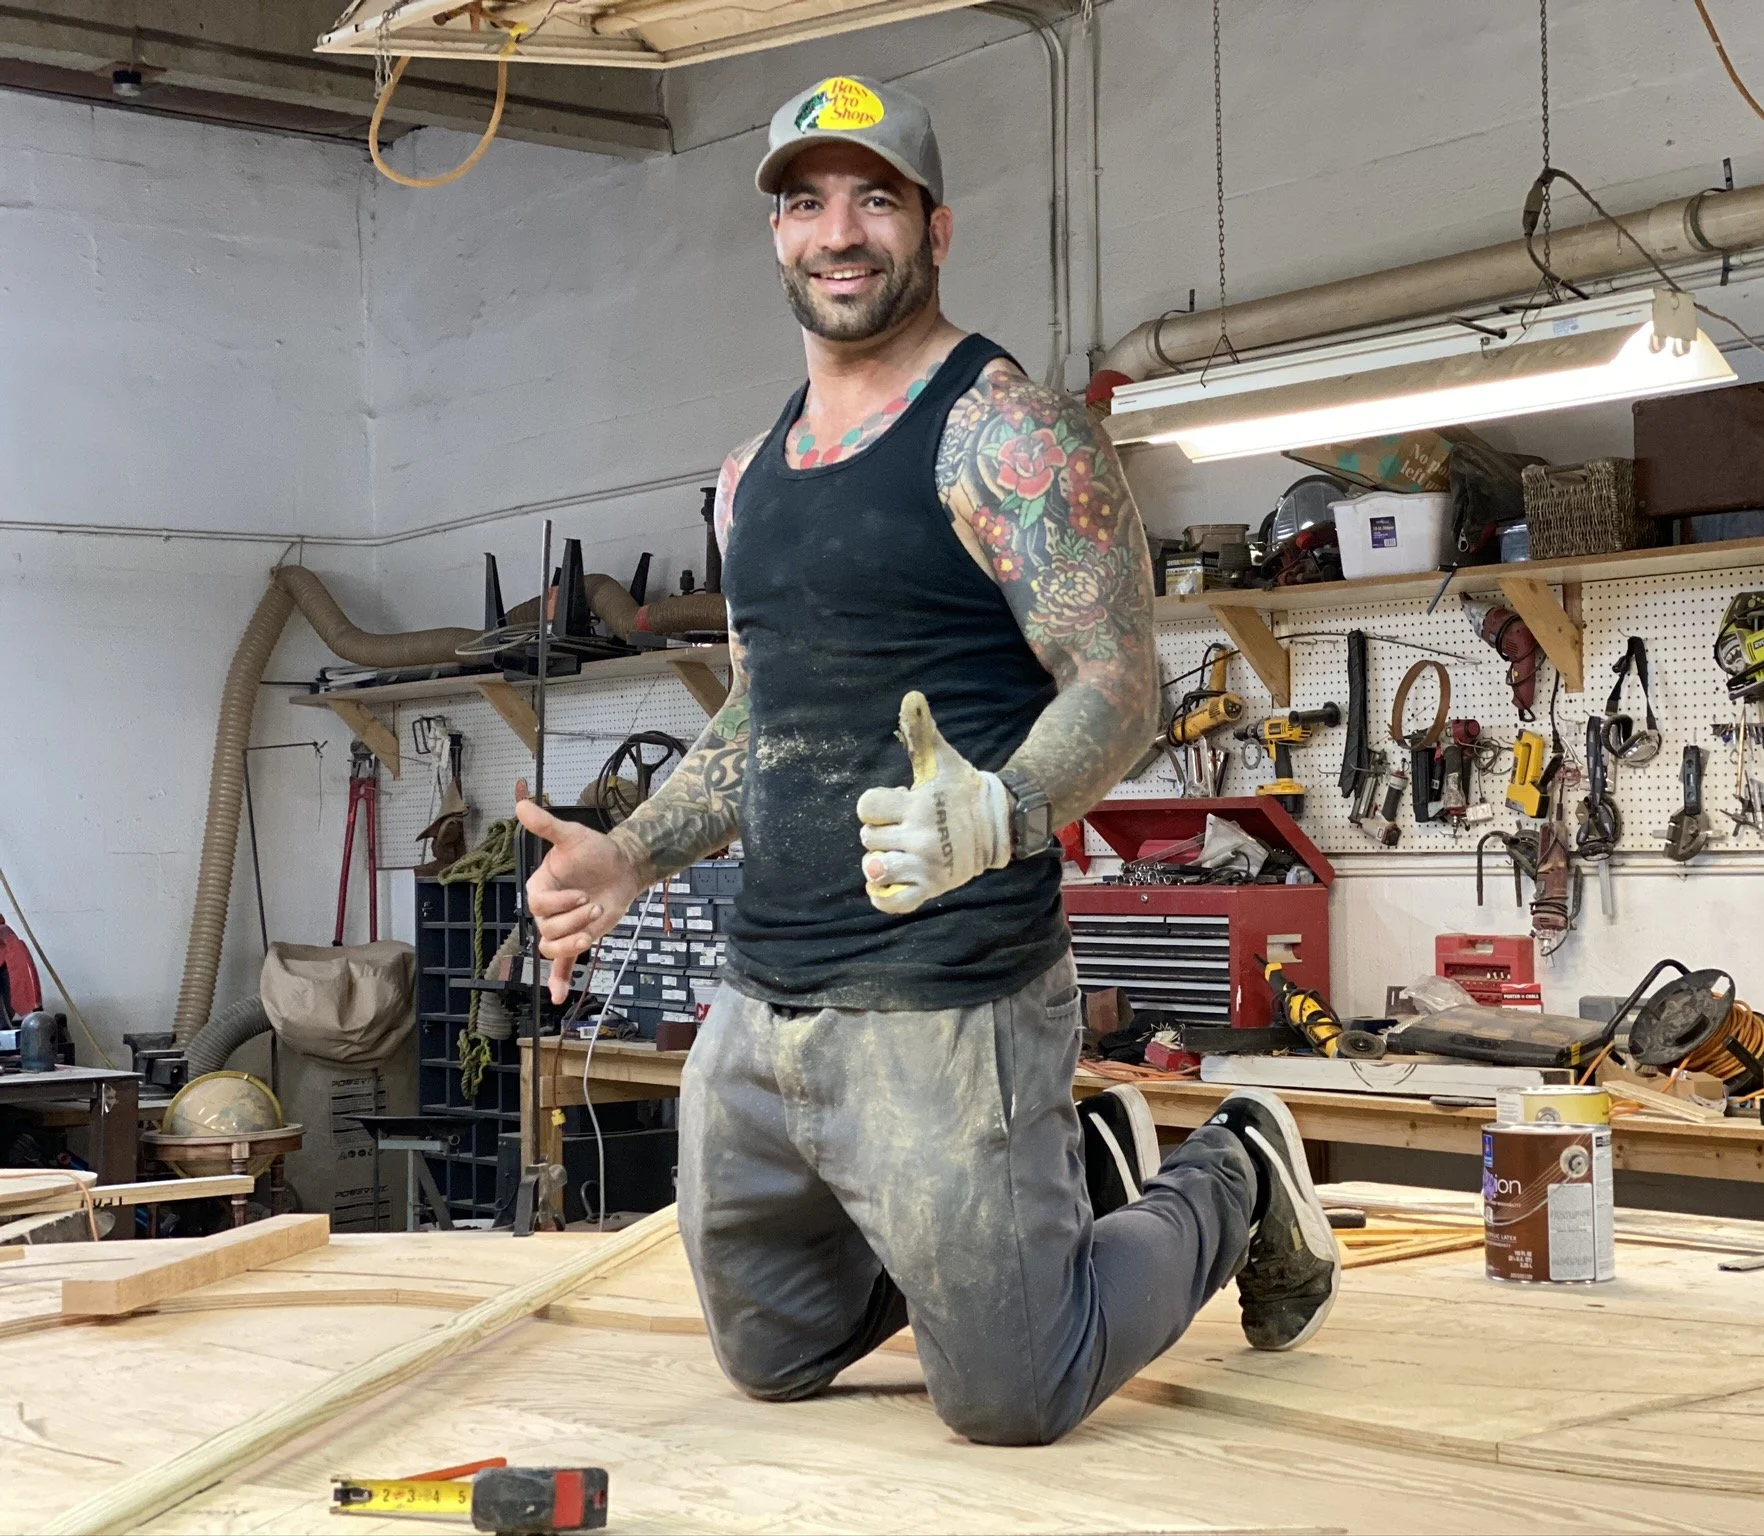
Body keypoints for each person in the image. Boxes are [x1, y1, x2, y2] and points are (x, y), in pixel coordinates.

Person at [515, 73, 1337, 1447]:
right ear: (776, 234)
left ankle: (1236, 1174)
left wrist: (1002, 815)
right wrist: (631, 849)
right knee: (770, 1361)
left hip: (947, 1004)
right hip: (761, 1005)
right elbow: (765, 713)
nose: (838, 230)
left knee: (1014, 1398)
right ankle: (1069, 1181)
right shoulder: (750, 473)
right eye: (804, 201)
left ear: (935, 227)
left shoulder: (1007, 433)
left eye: (873, 197)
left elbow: (1119, 687)